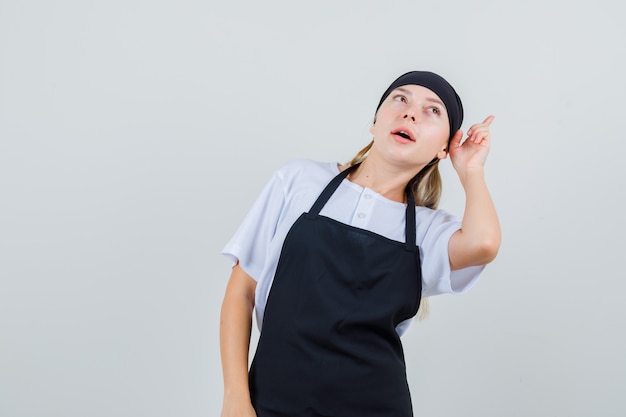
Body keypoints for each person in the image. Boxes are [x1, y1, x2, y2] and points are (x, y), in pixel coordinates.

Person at [219, 71, 501, 417]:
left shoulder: (429, 231)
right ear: (375, 121)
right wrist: (235, 396)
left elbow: (483, 244)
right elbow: (242, 291)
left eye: (432, 111)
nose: (410, 113)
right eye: (401, 99)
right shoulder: (300, 181)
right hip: (271, 401)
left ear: (445, 147)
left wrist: (471, 170)